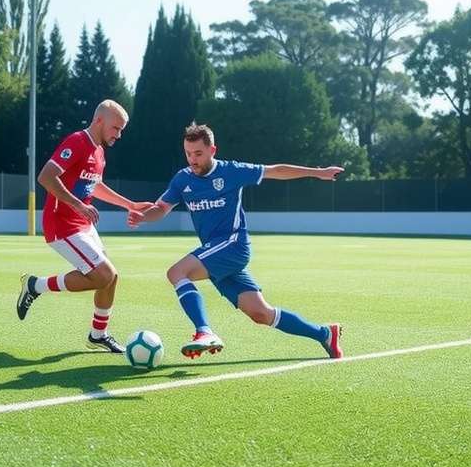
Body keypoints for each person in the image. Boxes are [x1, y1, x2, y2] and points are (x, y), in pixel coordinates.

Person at [128, 122, 345, 360]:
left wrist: (318, 172)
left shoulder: (231, 171)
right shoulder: (182, 179)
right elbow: (161, 208)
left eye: (198, 153)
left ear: (212, 150)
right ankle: (325, 334)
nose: (192, 160)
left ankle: (204, 331)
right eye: (188, 154)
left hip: (233, 245)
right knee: (261, 314)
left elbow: (276, 170)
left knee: (177, 272)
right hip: (215, 252)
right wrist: (143, 217)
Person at [16, 100, 153, 353]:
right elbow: (46, 177)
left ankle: (98, 336)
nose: (119, 135)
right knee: (104, 275)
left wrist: (130, 204)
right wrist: (78, 205)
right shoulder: (77, 141)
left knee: (110, 278)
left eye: (121, 130)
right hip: (62, 225)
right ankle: (36, 285)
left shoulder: (99, 151)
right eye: (116, 128)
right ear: (99, 121)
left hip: (82, 224)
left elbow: (95, 186)